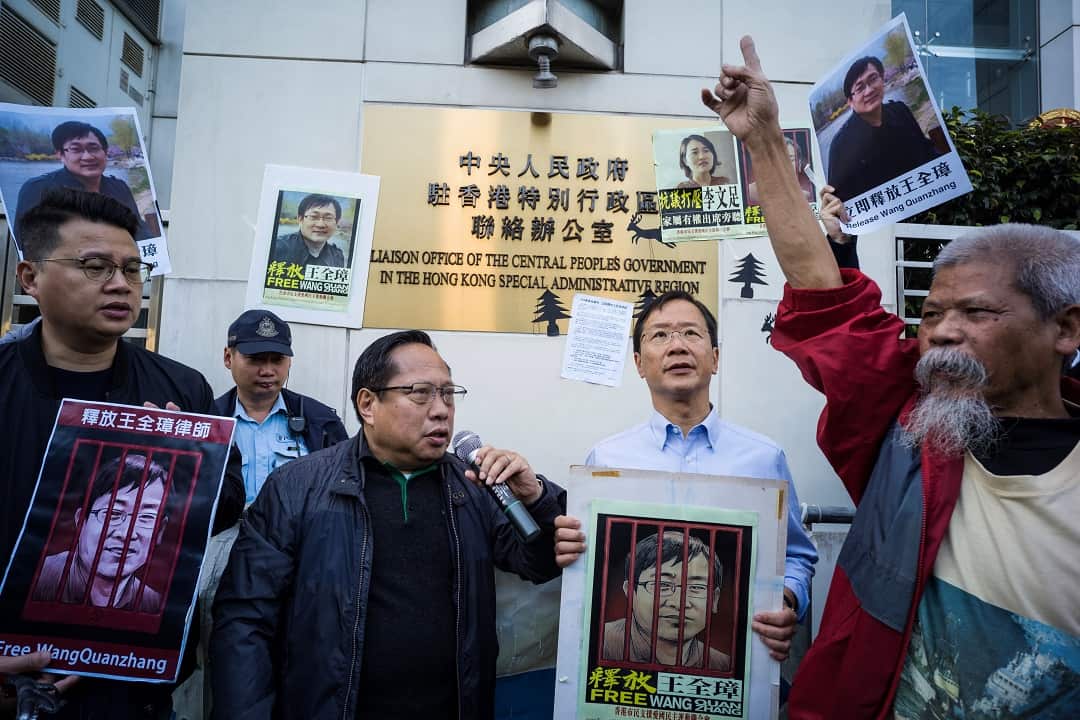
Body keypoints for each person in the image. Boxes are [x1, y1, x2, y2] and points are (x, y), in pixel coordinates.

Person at [704, 35, 1080, 719]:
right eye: (930, 313)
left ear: (1066, 329)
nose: (941, 332)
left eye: (977, 312)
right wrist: (761, 141)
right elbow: (824, 296)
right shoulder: (906, 424)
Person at [211, 330, 566, 720]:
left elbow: (539, 562)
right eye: (420, 393)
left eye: (448, 394)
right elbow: (245, 619)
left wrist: (536, 497)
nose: (441, 410)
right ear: (368, 404)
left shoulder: (474, 488)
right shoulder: (297, 487)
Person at [0, 187, 244, 719]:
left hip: (129, 690)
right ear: (30, 278)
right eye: (94, 266)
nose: (120, 284)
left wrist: (191, 465)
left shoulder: (181, 388)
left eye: (133, 270)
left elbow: (224, 509)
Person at [554, 291, 818, 664]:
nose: (677, 346)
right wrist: (570, 548)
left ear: (715, 358)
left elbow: (796, 555)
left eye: (691, 334)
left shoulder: (763, 459)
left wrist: (787, 599)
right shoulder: (606, 460)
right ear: (638, 363)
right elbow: (594, 564)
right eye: (660, 335)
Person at [213, 309, 348, 502]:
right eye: (256, 359)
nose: (267, 371)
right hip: (225, 532)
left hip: (298, 532)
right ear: (228, 358)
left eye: (277, 360)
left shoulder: (322, 422)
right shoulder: (208, 421)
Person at [32, 454, 169, 613]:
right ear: (81, 519)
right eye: (113, 514)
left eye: (146, 517)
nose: (126, 533)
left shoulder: (152, 603)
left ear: (160, 530)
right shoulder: (37, 577)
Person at [602, 530, 731, 671]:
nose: (679, 603)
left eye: (696, 587)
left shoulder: (723, 665)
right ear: (630, 591)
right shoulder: (597, 643)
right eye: (662, 585)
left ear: (714, 600)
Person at [825, 56, 941, 201]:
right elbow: (840, 201)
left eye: (873, 79)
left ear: (882, 79)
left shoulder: (900, 110)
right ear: (850, 102)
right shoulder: (840, 146)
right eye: (860, 88)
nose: (869, 90)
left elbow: (926, 151)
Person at [14, 121, 153, 242]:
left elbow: (138, 230)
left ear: (105, 152)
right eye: (76, 149)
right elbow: (26, 242)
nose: (87, 157)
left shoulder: (119, 187)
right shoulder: (38, 189)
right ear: (60, 155)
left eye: (94, 148)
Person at [268, 193, 346, 273]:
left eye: (328, 218)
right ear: (300, 219)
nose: (320, 224)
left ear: (337, 222)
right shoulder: (276, 248)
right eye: (313, 217)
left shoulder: (337, 256)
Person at [746, 133, 813, 205]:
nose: (783, 166)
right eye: (777, 160)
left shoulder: (805, 196)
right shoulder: (750, 192)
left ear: (799, 165)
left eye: (790, 159)